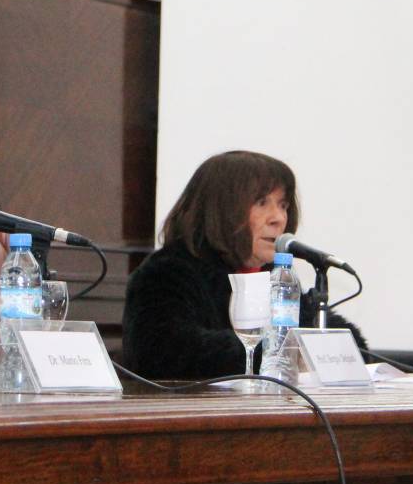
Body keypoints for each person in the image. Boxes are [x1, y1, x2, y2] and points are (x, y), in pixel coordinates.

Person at [122, 150, 367, 380]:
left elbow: (351, 347)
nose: (279, 218)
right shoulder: (167, 272)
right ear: (220, 210)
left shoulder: (276, 276)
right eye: (262, 202)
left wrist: (294, 350)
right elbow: (165, 354)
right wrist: (284, 352)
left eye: (283, 205)